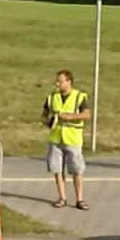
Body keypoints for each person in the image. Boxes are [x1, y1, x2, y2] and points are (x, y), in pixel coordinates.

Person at [41, 69, 91, 210]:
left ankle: (79, 199)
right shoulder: (52, 97)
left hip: (73, 139)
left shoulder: (79, 97)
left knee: (76, 170)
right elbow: (44, 115)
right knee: (57, 170)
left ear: (69, 82)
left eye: (60, 81)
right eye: (57, 81)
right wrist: (47, 122)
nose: (57, 84)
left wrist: (69, 117)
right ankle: (62, 197)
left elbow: (87, 115)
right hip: (56, 139)